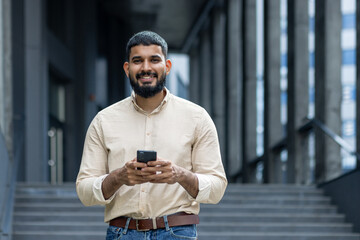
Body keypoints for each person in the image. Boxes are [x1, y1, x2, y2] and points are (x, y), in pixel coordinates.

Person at [76, 30, 227, 240]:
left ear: (167, 66)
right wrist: (119, 177)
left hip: (177, 232)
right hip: (122, 233)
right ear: (127, 68)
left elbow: (217, 187)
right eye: (138, 61)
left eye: (154, 60)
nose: (146, 68)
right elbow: (84, 190)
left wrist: (180, 175)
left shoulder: (197, 118)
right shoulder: (104, 121)